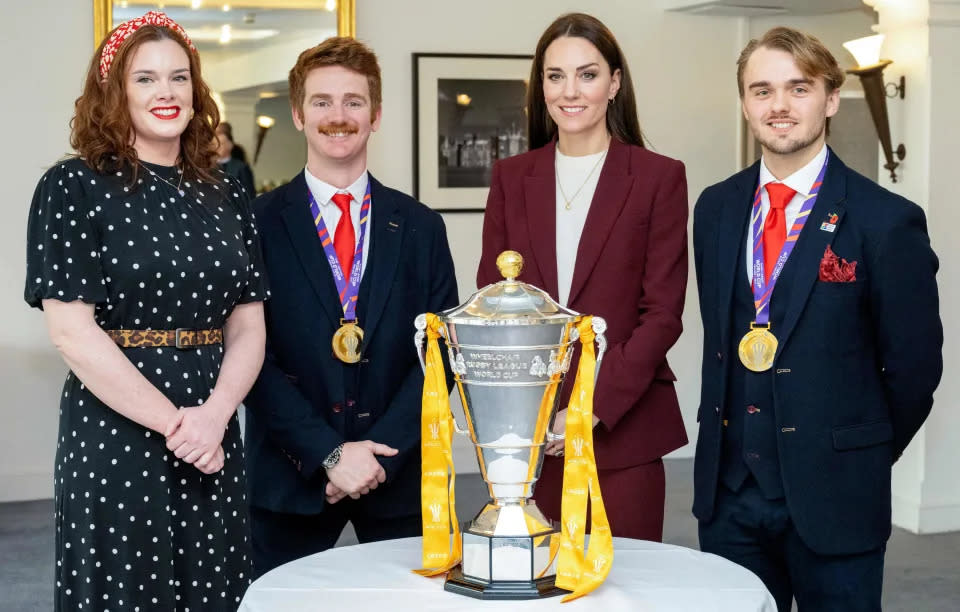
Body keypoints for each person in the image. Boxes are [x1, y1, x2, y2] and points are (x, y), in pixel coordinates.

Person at [23, 11, 268, 610]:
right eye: (145, 79)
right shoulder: (70, 187)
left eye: (179, 78)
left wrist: (214, 416)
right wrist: (179, 426)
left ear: (196, 91)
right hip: (117, 432)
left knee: (217, 590)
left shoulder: (230, 189)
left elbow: (249, 324)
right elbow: (73, 334)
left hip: (213, 425)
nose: (166, 93)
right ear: (115, 94)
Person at [692, 26, 942, 611]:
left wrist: (855, 453)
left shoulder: (886, 221)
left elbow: (914, 370)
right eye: (762, 90)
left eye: (798, 88)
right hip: (729, 498)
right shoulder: (715, 208)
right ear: (746, 103)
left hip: (838, 496)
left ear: (830, 98)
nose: (779, 106)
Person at [244, 36, 458, 575]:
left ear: (376, 114)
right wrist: (331, 454)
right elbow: (247, 354)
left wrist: (377, 451)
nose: (337, 117)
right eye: (321, 102)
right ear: (298, 114)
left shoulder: (421, 227)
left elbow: (442, 354)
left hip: (398, 474)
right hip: (289, 474)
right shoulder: (253, 224)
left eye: (353, 102)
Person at [476, 12, 689, 541]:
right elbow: (492, 304)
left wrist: (589, 407)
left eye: (587, 75)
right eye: (555, 76)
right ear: (541, 86)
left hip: (623, 428)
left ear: (614, 83)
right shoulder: (510, 178)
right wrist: (532, 410)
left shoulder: (659, 178)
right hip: (530, 437)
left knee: (626, 587)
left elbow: (662, 315)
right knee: (539, 583)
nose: (570, 91)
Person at [216, 121, 257, 194]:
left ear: (230, 145)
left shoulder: (241, 167)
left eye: (222, 144)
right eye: (216, 144)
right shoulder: (207, 167)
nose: (218, 147)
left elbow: (249, 193)